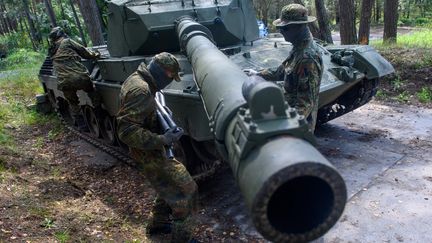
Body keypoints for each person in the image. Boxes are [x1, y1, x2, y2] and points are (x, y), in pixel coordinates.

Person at [116, 52, 198, 243]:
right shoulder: (141, 90)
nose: (170, 81)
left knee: (167, 186)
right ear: (162, 72)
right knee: (186, 190)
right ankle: (182, 240)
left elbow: (142, 116)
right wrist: (163, 138)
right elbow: (126, 131)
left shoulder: (140, 80)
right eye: (170, 76)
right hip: (149, 153)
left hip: (150, 150)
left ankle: (158, 223)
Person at [245, 4, 323, 132]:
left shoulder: (307, 58)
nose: (280, 31)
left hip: (298, 126)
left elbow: (305, 103)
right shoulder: (299, 47)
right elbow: (284, 69)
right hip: (288, 111)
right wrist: (258, 74)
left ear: (299, 27)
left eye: (285, 28)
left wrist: (285, 127)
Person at [48, 27, 100, 127]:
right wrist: (96, 54)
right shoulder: (67, 42)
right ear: (62, 34)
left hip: (64, 81)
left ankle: (81, 124)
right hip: (79, 77)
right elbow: (84, 52)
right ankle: (99, 114)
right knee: (92, 91)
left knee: (73, 102)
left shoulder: (52, 50)